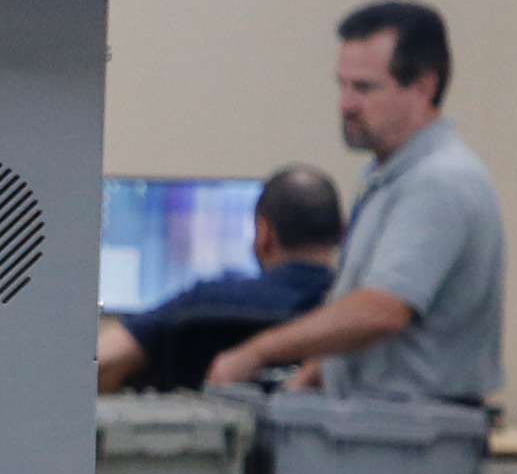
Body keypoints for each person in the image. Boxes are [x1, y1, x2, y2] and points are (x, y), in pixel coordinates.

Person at [207, 1, 504, 401]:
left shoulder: (439, 182)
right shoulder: (391, 179)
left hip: (413, 438)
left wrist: (256, 353)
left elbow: (381, 310)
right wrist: (314, 373)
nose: (346, 104)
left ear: (424, 87)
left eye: (364, 87)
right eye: (342, 85)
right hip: (381, 431)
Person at [97, 164, 342, 392]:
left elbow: (103, 361)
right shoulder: (349, 317)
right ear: (342, 234)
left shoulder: (203, 305)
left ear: (264, 233)